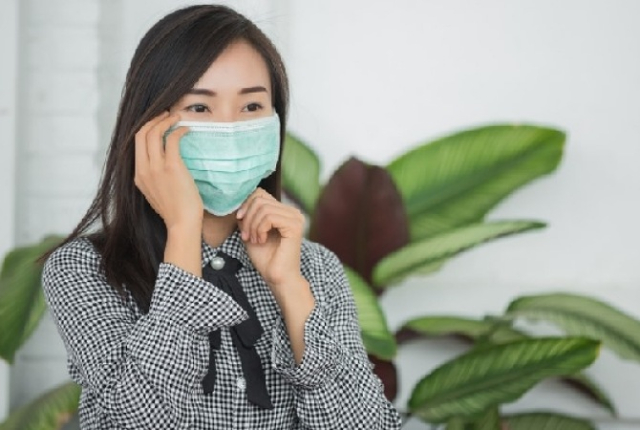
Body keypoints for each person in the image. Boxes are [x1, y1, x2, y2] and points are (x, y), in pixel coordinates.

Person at [41, 4, 402, 429]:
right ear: (147, 126)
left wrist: (290, 288)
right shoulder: (83, 269)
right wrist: (183, 231)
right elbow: (139, 421)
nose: (229, 129)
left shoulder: (315, 269)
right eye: (199, 107)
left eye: (251, 106)